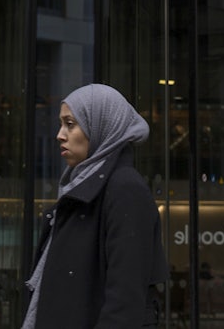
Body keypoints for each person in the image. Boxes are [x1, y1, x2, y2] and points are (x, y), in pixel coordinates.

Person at [22, 84, 169, 328]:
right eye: (61, 124)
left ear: (100, 126)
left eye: (70, 124)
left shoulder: (124, 189)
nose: (60, 135)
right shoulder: (78, 189)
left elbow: (124, 299)